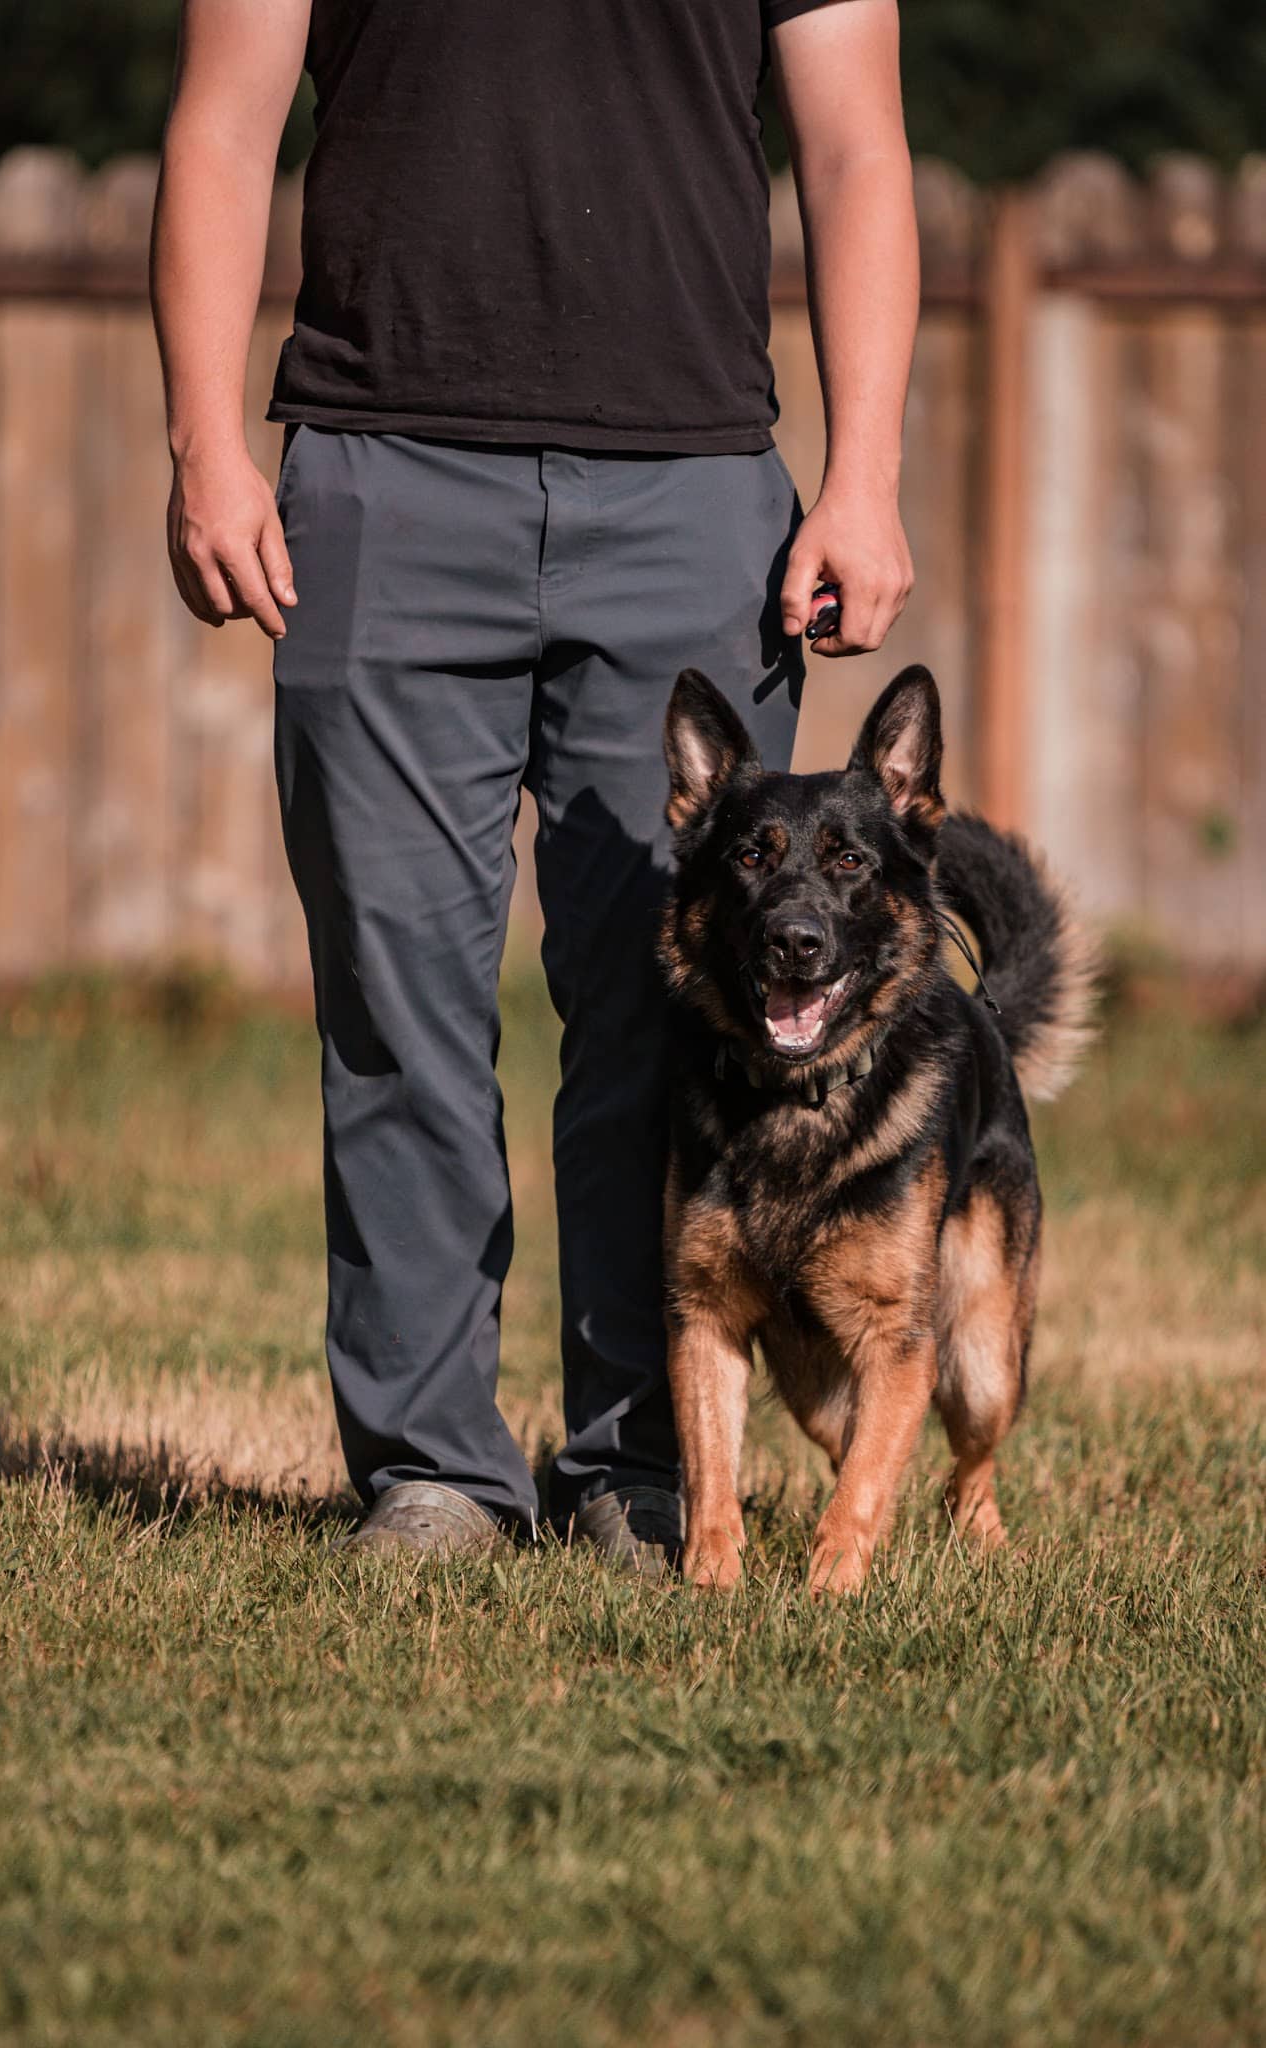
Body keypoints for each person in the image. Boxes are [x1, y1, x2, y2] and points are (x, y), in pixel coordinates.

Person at [152, 0, 918, 1571]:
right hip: (382, 471)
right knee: (397, 1005)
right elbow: (221, 121)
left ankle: (638, 1467)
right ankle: (432, 1473)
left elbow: (855, 149)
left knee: (675, 1013)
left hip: (694, 490)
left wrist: (866, 473)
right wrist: (202, 447)